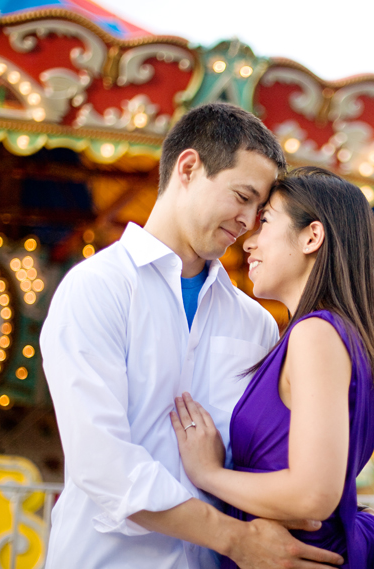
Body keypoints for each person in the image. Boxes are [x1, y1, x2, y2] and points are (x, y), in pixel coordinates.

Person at [41, 104, 343, 569]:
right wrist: (235, 539)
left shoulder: (256, 322)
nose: (247, 221)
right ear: (188, 168)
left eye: (260, 211)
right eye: (242, 196)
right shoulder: (96, 288)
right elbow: (100, 460)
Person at [171, 167, 374, 568]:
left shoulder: (316, 334)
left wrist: (208, 473)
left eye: (266, 221)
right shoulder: (329, 335)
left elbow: (313, 495)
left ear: (312, 236)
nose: (249, 243)